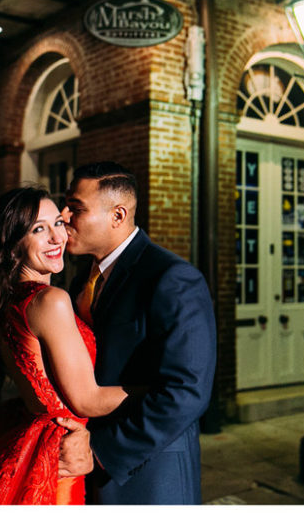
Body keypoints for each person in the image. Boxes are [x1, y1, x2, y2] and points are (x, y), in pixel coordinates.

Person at [0, 186, 133, 505]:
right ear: (13, 244)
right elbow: (87, 400)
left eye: (59, 223)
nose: (57, 238)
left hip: (37, 440)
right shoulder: (50, 301)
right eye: (39, 229)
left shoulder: (8, 301)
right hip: (58, 457)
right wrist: (159, 389)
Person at [57, 162, 217, 505]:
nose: (64, 216)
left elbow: (187, 391)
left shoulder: (171, 278)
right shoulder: (78, 281)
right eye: (65, 205)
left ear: (118, 215)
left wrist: (98, 450)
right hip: (82, 473)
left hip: (148, 474)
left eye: (76, 208)